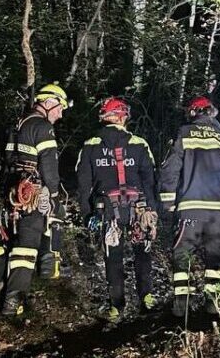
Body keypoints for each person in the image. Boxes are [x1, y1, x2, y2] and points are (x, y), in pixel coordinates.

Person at [160, 96, 220, 316]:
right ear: (212, 112)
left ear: (193, 112)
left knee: (182, 252)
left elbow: (171, 168)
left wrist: (168, 200)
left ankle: (182, 305)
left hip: (192, 205)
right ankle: (213, 304)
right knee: (216, 255)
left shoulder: (185, 133)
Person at [76, 97, 159, 322]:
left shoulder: (90, 145)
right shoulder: (140, 144)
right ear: (123, 116)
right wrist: (152, 210)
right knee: (143, 254)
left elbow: (83, 185)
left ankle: (116, 306)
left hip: (107, 213)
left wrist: (86, 214)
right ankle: (147, 298)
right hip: (138, 210)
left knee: (113, 258)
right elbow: (150, 180)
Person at [0, 83, 70, 316]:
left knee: (20, 238)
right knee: (27, 245)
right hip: (32, 192)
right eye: (60, 108)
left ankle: (44, 269)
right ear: (49, 103)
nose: (60, 114)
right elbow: (49, 166)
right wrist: (52, 194)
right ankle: (15, 299)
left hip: (15, 191)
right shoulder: (42, 127)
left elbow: (9, 160)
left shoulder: (18, 125)